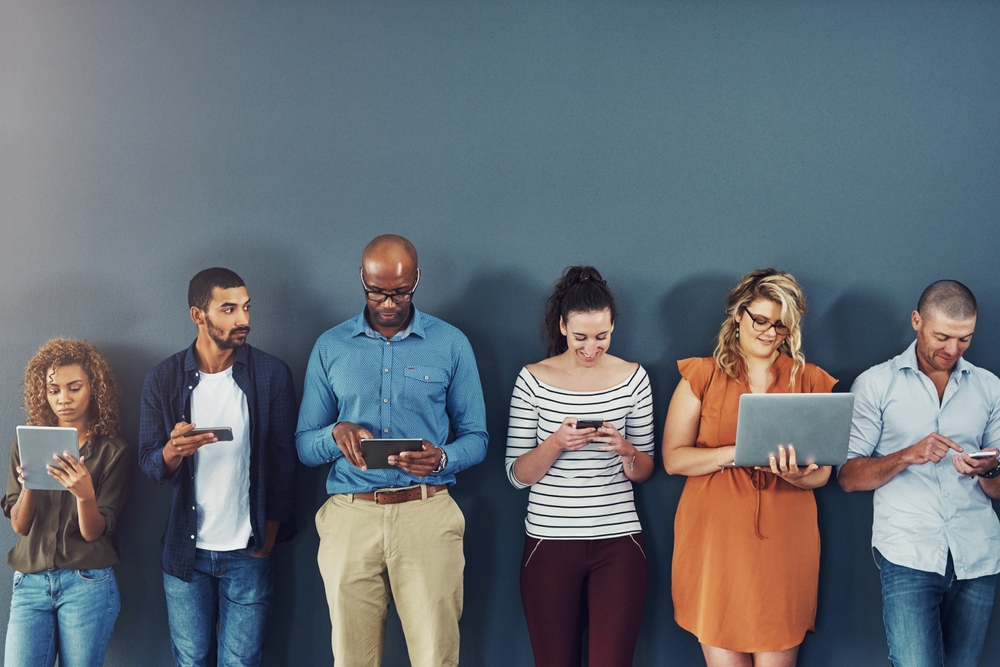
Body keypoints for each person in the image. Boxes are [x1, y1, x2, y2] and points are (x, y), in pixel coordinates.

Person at [296, 234, 488, 667]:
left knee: (435, 656)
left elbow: (477, 437)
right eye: (377, 291)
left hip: (427, 512)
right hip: (350, 516)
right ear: (362, 279)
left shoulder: (451, 344)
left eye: (400, 292)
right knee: (352, 659)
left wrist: (442, 458)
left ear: (417, 279)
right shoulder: (331, 347)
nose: (387, 302)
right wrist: (336, 434)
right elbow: (305, 445)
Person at [662, 268, 836, 667]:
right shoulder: (702, 374)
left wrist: (797, 475)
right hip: (714, 543)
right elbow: (674, 458)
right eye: (760, 319)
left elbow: (823, 472)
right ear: (737, 315)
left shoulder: (809, 380)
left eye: (780, 325)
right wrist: (735, 453)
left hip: (784, 545)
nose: (769, 332)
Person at [138, 267, 297, 667]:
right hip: (186, 554)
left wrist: (267, 542)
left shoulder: (271, 374)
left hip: (249, 551)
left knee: (241, 663)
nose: (242, 319)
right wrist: (173, 450)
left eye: (245, 307)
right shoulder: (163, 379)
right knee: (191, 661)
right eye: (228, 309)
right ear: (198, 315)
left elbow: (284, 465)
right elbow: (150, 464)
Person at [838, 280, 1000, 667]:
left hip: (977, 554)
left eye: (964, 339)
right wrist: (908, 454)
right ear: (916, 321)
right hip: (908, 554)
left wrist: (990, 468)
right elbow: (848, 476)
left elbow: (996, 490)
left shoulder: (990, 387)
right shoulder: (876, 384)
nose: (952, 350)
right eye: (942, 336)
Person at [505, 266, 655, 667]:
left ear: (613, 328)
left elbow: (645, 470)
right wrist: (555, 443)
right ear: (562, 327)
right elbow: (516, 475)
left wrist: (625, 449)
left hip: (620, 541)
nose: (591, 348)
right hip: (548, 542)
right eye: (580, 337)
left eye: (601, 337)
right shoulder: (533, 379)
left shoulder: (633, 379)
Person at [3, 338, 134, 667]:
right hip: (30, 582)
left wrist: (85, 494)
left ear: (94, 388)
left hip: (86, 583)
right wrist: (31, 480)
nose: (63, 399)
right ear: (42, 393)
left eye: (74, 387)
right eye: (54, 390)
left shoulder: (113, 451)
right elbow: (20, 525)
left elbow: (94, 533)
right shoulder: (26, 440)